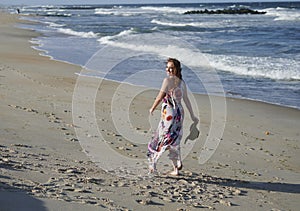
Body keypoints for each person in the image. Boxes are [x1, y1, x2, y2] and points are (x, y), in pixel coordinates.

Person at [147, 58, 198, 176]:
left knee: (163, 138)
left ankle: (153, 164)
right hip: (179, 113)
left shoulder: (167, 80)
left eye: (171, 67)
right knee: (174, 139)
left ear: (177, 69)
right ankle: (176, 167)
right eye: (167, 67)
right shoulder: (182, 82)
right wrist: (192, 115)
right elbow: (186, 100)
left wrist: (152, 108)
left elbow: (160, 96)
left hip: (169, 113)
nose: (169, 69)